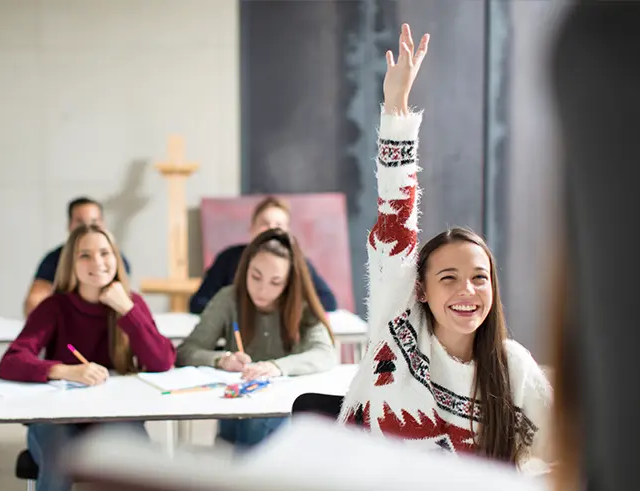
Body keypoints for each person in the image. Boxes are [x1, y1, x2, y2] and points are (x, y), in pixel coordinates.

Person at [294, 24, 552, 473]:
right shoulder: (397, 327)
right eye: (448, 278)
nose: (467, 291)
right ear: (421, 289)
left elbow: (567, 452)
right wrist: (396, 110)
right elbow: (395, 224)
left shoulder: (514, 368)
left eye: (479, 278)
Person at [0, 224, 175, 491]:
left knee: (140, 468)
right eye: (85, 255)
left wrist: (126, 310)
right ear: (72, 263)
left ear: (116, 258)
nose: (97, 262)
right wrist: (64, 370)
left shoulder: (132, 304)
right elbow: (11, 361)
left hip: (115, 416)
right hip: (58, 417)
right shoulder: (54, 307)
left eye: (105, 253)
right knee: (59, 465)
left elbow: (162, 361)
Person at [177, 227, 337, 448]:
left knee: (257, 428)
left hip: (280, 406)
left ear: (289, 280)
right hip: (236, 405)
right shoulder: (229, 298)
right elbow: (187, 350)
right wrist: (220, 359)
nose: (262, 290)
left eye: (276, 282)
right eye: (256, 276)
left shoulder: (302, 304)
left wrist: (276, 367)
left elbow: (325, 353)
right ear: (246, 268)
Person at [189, 196, 338, 314]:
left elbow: (328, 301)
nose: (271, 229)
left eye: (278, 225)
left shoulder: (300, 263)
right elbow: (199, 302)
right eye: (265, 223)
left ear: (288, 232)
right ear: (252, 228)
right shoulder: (228, 258)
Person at [24, 196, 132, 316]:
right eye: (85, 256)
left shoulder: (119, 260)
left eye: (94, 221)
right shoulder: (53, 260)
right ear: (69, 225)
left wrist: (128, 312)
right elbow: (34, 301)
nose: (97, 263)